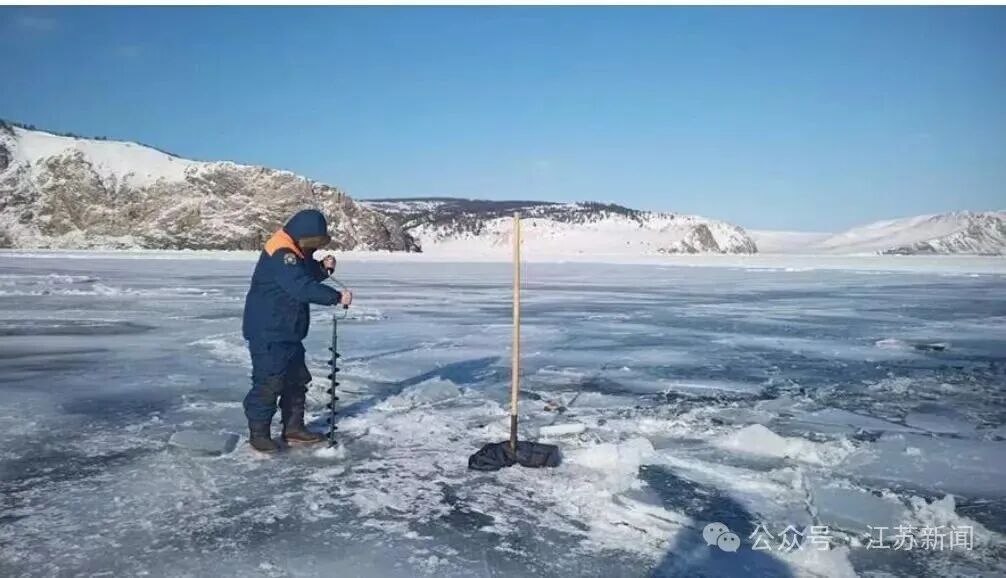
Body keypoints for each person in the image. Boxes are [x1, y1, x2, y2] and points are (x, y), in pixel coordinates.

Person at [241, 209, 352, 453]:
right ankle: (259, 434)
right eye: (313, 243)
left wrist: (322, 269)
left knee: (296, 380)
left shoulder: (292, 248)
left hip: (288, 331)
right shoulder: (282, 253)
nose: (314, 248)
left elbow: (303, 273)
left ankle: (293, 428)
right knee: (269, 382)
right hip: (268, 331)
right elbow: (300, 286)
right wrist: (336, 297)